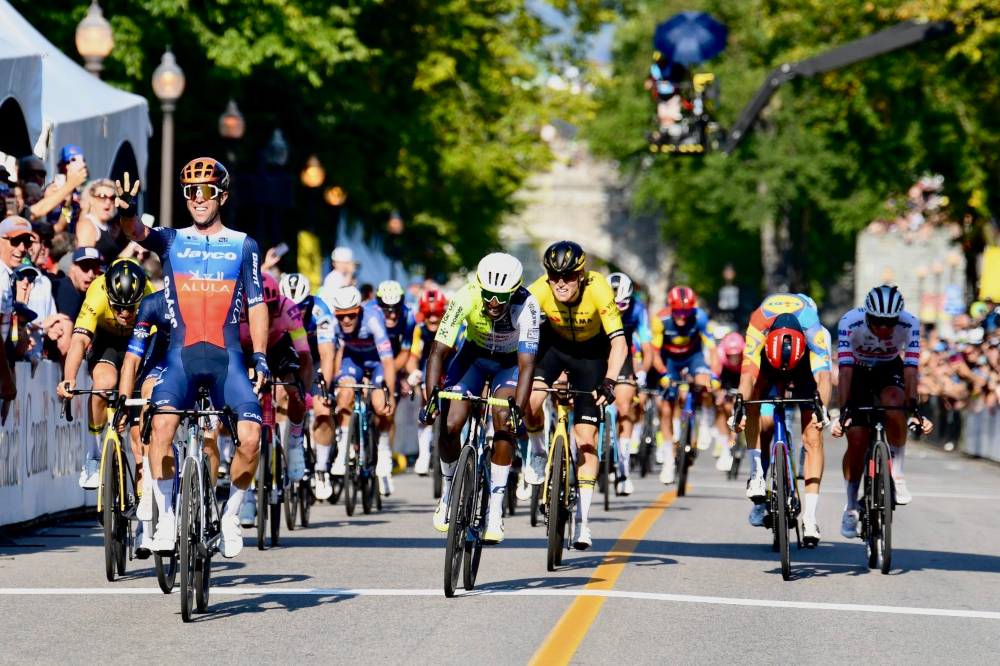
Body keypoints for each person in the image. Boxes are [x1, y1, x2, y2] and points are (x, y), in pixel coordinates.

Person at [115, 159, 267, 560]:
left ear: (222, 196)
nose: (198, 199)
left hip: (227, 360)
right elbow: (135, 231)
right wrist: (127, 209)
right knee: (160, 426)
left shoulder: (243, 244)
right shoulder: (170, 239)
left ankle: (232, 514)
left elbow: (256, 305)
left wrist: (262, 357)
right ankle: (166, 516)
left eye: (207, 192)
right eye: (191, 192)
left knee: (251, 438)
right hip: (180, 359)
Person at [420, 253, 539, 543]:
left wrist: (517, 412)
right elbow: (438, 351)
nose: (493, 303)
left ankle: (495, 510)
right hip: (472, 357)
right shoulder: (466, 295)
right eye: (488, 295)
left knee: (503, 418)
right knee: (449, 423)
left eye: (501, 296)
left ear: (514, 292)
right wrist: (431, 399)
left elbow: (527, 366)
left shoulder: (528, 305)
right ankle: (448, 491)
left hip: (510, 364)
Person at [525, 241, 627, 550]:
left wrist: (610, 381)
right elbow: (514, 328)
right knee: (530, 399)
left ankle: (583, 522)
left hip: (591, 357)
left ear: (581, 275)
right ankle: (539, 450)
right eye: (554, 276)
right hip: (553, 349)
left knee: (586, 438)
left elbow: (619, 344)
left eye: (568, 276)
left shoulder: (599, 290)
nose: (560, 283)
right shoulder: (539, 289)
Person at [832, 286, 933, 538]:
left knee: (894, 405)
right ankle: (851, 506)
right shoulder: (850, 322)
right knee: (856, 439)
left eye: (890, 322)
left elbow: (910, 369)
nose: (885, 328)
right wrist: (844, 413)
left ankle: (897, 475)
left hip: (889, 369)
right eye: (878, 322)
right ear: (868, 316)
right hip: (857, 371)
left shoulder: (909, 324)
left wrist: (913, 410)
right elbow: (844, 372)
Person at [732, 293, 832, 545]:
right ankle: (757, 474)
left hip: (802, 366)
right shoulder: (758, 321)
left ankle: (810, 516)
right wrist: (739, 408)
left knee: (813, 435)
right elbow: (747, 376)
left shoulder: (812, 326)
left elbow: (823, 377)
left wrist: (823, 409)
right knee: (753, 401)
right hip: (767, 361)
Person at [57, 258, 153, 489]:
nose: (125, 313)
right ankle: (93, 456)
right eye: (118, 306)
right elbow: (79, 341)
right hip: (106, 341)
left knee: (138, 438)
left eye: (131, 307)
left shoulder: (151, 296)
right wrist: (69, 378)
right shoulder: (97, 293)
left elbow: (157, 346)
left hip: (139, 343)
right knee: (103, 384)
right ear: (108, 294)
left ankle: (144, 508)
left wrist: (128, 405)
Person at [236, 272, 314, 527]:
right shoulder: (237, 311)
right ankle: (246, 497)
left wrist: (304, 390)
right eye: (261, 307)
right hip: (246, 351)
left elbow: (304, 354)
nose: (267, 313)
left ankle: (294, 442)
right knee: (244, 402)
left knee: (294, 390)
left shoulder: (289, 309)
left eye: (271, 307)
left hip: (278, 348)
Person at [328, 285, 397, 487]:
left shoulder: (373, 319)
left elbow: (388, 362)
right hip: (353, 359)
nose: (346, 320)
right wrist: (333, 383)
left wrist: (390, 395)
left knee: (380, 405)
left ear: (359, 310)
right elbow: (329, 354)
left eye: (351, 315)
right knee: (345, 395)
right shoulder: (332, 323)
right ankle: (342, 451)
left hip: (377, 361)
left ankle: (383, 450)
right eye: (341, 316)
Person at [278, 272, 338, 500]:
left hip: (316, 358)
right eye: (292, 306)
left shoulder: (320, 309)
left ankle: (321, 469)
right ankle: (286, 451)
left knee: (323, 408)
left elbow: (327, 354)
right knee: (280, 395)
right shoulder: (275, 308)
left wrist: (325, 387)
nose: (297, 311)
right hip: (288, 358)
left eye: (302, 306)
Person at [652, 286, 714, 485]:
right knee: (667, 409)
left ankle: (705, 419)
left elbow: (712, 349)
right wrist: (662, 373)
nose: (682, 317)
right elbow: (654, 353)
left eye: (686, 312)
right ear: (671, 308)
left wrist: (714, 374)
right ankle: (669, 461)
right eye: (678, 312)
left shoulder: (701, 318)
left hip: (692, 357)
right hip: (669, 359)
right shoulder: (660, 320)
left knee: (705, 382)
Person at [607, 272, 654, 496]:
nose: (621, 309)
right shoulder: (598, 300)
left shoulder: (638, 309)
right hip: (599, 347)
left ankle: (623, 468)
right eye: (616, 305)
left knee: (625, 405)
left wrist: (643, 371)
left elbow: (647, 348)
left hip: (623, 349)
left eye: (624, 304)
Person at [373, 279, 415, 495]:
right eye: (386, 309)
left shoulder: (408, 317)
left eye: (395, 309)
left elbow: (405, 353)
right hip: (368, 358)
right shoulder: (369, 314)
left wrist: (390, 372)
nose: (391, 314)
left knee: (388, 410)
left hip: (392, 361)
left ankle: (384, 454)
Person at [408, 288, 449, 475]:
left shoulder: (452, 326)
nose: (433, 319)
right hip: (428, 365)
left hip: (450, 364)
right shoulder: (419, 329)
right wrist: (413, 371)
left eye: (437, 314)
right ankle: (423, 454)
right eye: (428, 314)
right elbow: (412, 356)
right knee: (425, 400)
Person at [0, 217, 36, 403]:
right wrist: (6, 379)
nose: (22, 248)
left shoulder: (9, 276)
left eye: (27, 242)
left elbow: (7, 335)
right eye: (14, 241)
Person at [713, 331, 744, 472]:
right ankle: (724, 441)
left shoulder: (746, 356)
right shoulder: (720, 355)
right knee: (723, 406)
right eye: (730, 355)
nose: (734, 358)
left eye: (737, 355)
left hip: (741, 376)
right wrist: (718, 392)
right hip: (726, 377)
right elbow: (715, 376)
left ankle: (741, 438)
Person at [76, 179, 121, 263]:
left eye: (112, 198)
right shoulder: (87, 224)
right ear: (91, 200)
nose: (108, 202)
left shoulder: (106, 227)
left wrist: (133, 244)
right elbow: (83, 263)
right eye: (102, 197)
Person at [51, 247, 102, 321]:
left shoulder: (85, 294)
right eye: (85, 267)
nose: (91, 274)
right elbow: (65, 331)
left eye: (95, 269)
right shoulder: (66, 290)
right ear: (73, 267)